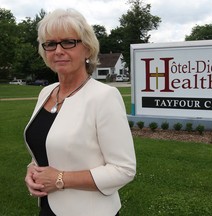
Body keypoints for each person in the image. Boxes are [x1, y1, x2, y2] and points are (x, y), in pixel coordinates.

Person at [24, 8, 136, 216]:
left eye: (68, 42)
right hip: (48, 208)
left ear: (87, 48)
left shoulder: (104, 97)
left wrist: (59, 179)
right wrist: (33, 169)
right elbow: (46, 148)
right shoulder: (46, 93)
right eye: (50, 44)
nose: (58, 50)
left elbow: (124, 170)